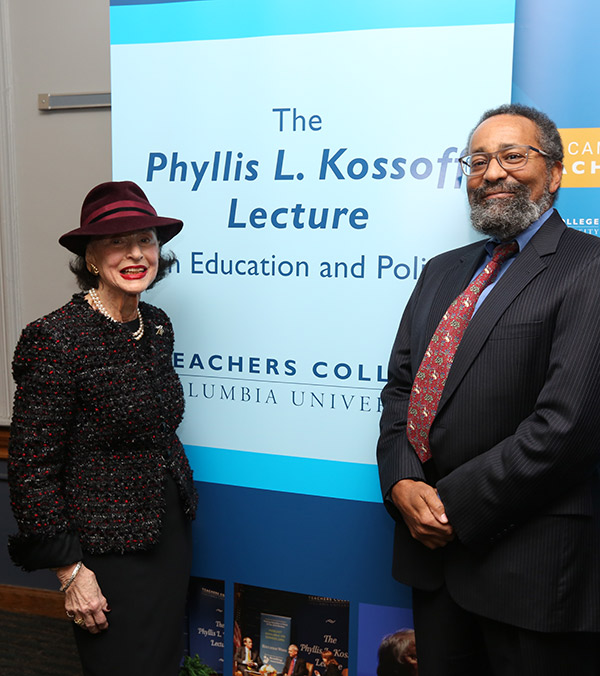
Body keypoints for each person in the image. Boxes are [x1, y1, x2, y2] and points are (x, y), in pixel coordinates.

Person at [377, 104, 600, 676]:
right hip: (434, 566)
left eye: (512, 156)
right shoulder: (442, 272)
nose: (492, 172)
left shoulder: (589, 268)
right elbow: (402, 389)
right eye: (477, 161)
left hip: (531, 572)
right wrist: (402, 479)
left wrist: (449, 504)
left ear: (554, 171)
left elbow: (566, 427)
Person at [7, 180, 198, 676]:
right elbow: (32, 467)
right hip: (105, 551)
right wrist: (71, 572)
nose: (136, 253)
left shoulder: (156, 325)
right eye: (117, 241)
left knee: (161, 662)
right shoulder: (55, 339)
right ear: (91, 257)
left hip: (167, 532)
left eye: (146, 240)